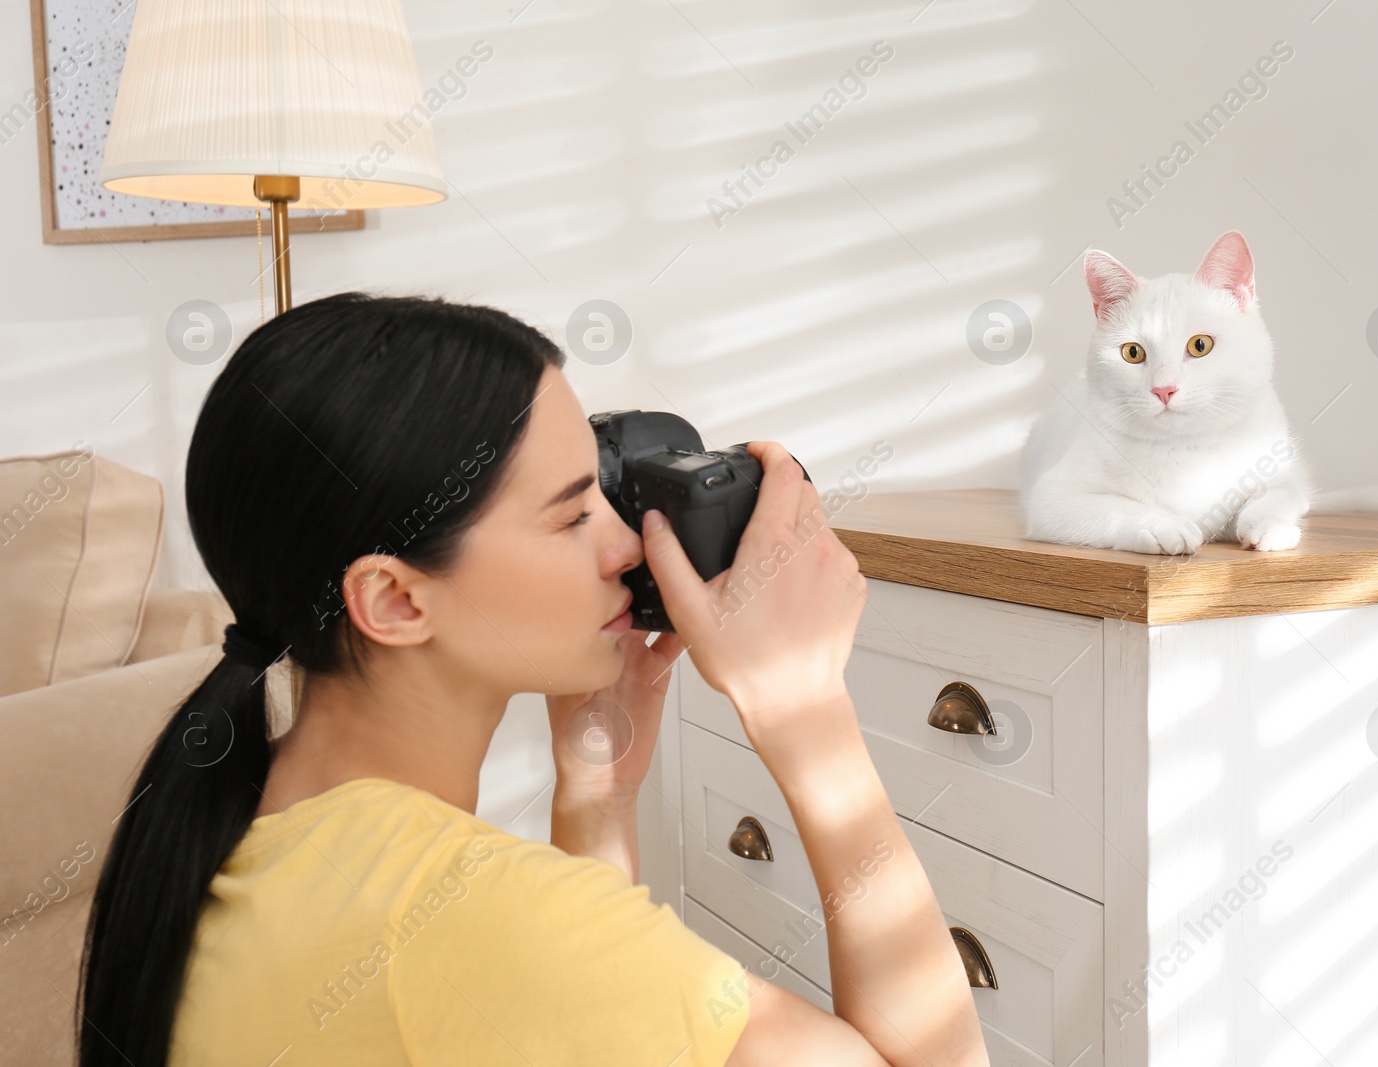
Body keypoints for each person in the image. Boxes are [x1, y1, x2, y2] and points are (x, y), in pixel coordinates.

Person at [76, 292, 989, 1067]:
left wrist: (596, 790)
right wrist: (807, 712)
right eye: (570, 516)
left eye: (603, 491)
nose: (629, 545)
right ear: (392, 600)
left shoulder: (236, 827)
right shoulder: (478, 918)